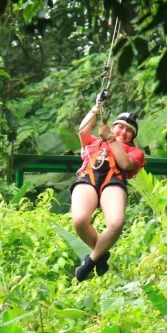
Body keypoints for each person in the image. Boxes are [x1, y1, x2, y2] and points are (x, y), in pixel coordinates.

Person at [70, 100, 145, 281]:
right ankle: (101, 254)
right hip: (89, 177)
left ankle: (92, 259)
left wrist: (111, 139)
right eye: (120, 127)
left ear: (132, 136)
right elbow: (83, 131)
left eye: (129, 131)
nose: (124, 132)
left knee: (116, 223)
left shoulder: (134, 152)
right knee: (80, 220)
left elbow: (126, 164)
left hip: (113, 181)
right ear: (112, 126)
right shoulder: (94, 143)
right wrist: (97, 107)